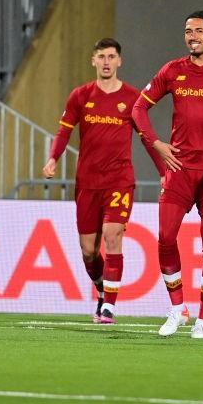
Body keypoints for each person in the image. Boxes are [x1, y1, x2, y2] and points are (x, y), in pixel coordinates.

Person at [131, 11, 203, 339]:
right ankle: (176, 310)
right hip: (179, 170)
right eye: (187, 31)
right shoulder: (173, 70)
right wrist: (156, 145)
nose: (192, 35)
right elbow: (138, 108)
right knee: (165, 238)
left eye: (199, 30)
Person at [42, 38, 154, 324]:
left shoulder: (132, 98)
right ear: (93, 60)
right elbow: (64, 131)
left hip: (119, 179)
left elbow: (147, 139)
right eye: (101, 56)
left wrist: (164, 172)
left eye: (111, 56)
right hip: (87, 182)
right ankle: (103, 291)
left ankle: (109, 307)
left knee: (113, 235)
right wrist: (54, 158)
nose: (106, 61)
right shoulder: (80, 96)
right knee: (89, 250)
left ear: (119, 61)